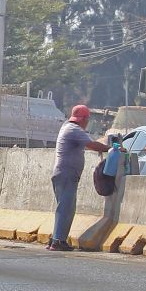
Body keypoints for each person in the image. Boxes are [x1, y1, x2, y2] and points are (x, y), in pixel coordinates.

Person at [48, 104, 111, 252]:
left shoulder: (67, 127)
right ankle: (58, 241)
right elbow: (93, 145)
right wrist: (111, 148)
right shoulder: (74, 130)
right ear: (84, 119)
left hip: (64, 174)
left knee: (64, 208)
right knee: (66, 208)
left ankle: (55, 239)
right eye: (87, 119)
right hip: (67, 175)